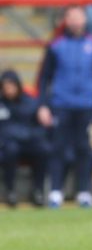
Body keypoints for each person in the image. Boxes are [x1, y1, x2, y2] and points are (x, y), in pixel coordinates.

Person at [36, 6, 92, 209]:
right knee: (58, 148)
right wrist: (43, 105)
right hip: (61, 103)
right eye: (72, 17)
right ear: (65, 20)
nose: (76, 22)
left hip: (86, 105)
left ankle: (84, 191)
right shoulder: (56, 45)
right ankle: (55, 191)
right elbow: (44, 78)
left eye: (79, 17)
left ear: (85, 20)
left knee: (84, 149)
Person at [1, 69, 49, 208]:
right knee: (11, 150)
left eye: (11, 86)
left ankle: (38, 191)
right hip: (8, 143)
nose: (8, 90)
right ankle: (10, 191)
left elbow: (38, 127)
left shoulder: (30, 102)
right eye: (5, 87)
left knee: (43, 149)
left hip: (28, 141)